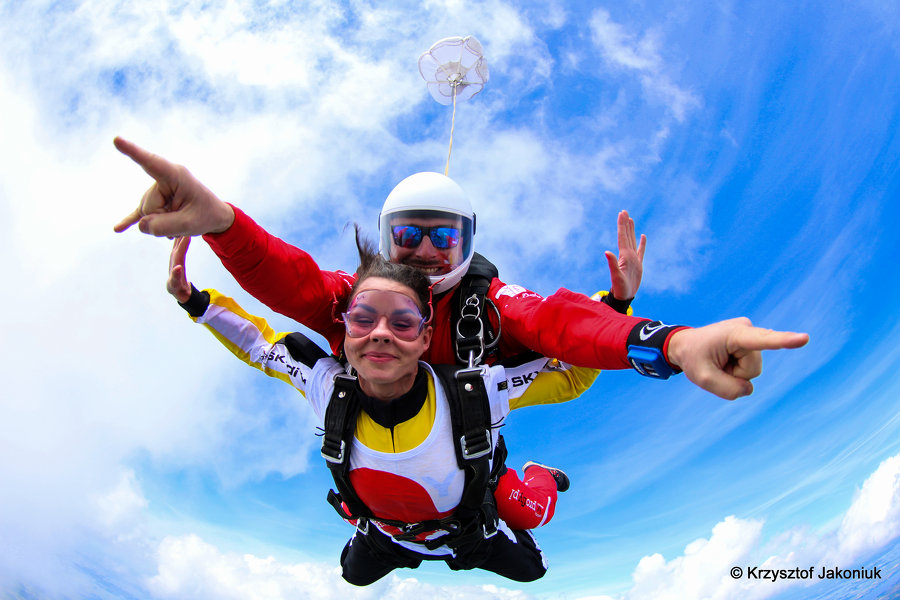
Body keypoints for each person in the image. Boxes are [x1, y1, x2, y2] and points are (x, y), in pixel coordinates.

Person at [113, 135, 808, 399]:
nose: (420, 251)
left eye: (441, 240)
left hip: (480, 423)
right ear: (385, 237)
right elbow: (285, 277)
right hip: (385, 464)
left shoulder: (490, 302)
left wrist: (667, 339)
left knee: (506, 519)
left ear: (468, 247)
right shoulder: (360, 303)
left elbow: (555, 322)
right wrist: (224, 224)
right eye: (405, 235)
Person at [168, 232, 604, 584]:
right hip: (385, 534)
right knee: (352, 576)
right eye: (363, 319)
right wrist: (196, 302)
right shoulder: (327, 387)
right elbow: (259, 346)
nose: (380, 334)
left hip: (468, 530)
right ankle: (380, 533)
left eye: (402, 323)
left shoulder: (476, 392)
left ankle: (542, 474)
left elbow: (568, 375)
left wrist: (613, 308)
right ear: (344, 328)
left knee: (534, 538)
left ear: (425, 338)